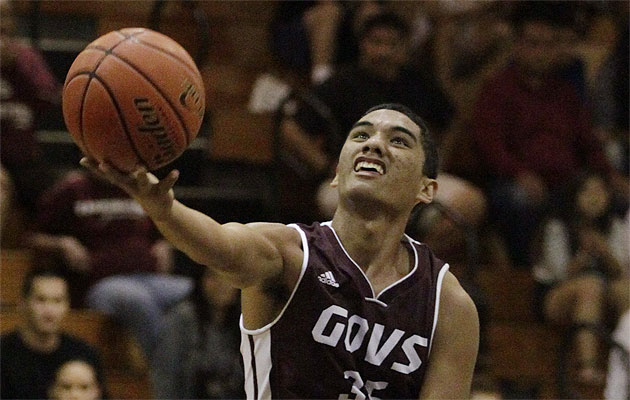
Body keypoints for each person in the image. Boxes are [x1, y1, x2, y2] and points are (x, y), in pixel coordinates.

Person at [81, 102, 479, 399]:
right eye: (361, 135)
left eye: (398, 141)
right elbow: (219, 245)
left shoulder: (447, 303)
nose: (374, 144)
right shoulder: (290, 253)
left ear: (426, 189)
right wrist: (165, 210)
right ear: (337, 173)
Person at [471, 2, 615, 269]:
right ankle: (529, 275)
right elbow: (490, 146)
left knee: (608, 197)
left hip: (568, 183)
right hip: (516, 181)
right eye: (533, 44)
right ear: (517, 45)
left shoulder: (566, 92)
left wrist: (609, 177)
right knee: (518, 199)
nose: (541, 52)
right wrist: (519, 173)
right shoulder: (497, 89)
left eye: (549, 45)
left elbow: (588, 143)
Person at [278, 11, 457, 223]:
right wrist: (327, 166)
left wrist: (437, 161)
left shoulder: (419, 83)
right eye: (376, 42)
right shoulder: (340, 84)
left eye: (392, 44)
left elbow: (451, 121)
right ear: (362, 44)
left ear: (405, 47)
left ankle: (410, 255)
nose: (383, 51)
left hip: (411, 179)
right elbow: (289, 129)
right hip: (354, 177)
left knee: (468, 203)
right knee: (372, 206)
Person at [28, 169, 192, 361]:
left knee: (192, 293)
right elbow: (31, 237)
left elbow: (162, 230)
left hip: (149, 278)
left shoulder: (137, 187)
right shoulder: (72, 189)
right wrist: (61, 244)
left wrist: (164, 243)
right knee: (136, 300)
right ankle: (159, 366)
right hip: (101, 284)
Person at [532, 171, 629, 384]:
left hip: (602, 290)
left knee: (625, 289)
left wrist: (604, 252)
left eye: (600, 191)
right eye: (587, 192)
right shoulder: (557, 226)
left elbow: (621, 272)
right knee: (590, 286)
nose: (594, 198)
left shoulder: (613, 225)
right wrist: (583, 256)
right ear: (574, 196)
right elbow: (558, 274)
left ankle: (627, 362)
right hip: (555, 295)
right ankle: (588, 365)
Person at [0, 258, 105, 399]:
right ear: (24, 303)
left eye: (57, 300)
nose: (49, 311)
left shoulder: (84, 354)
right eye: (41, 300)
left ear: (67, 305)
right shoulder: (3, 353)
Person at [0, 0, 60, 222]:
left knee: (62, 201)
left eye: (4, 16)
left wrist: (17, 67)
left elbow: (49, 98)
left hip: (24, 158)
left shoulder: (26, 57)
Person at [151, 266, 243, 399]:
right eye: (213, 277)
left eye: (228, 278)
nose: (221, 284)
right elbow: (165, 375)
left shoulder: (244, 322)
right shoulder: (182, 319)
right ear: (200, 280)